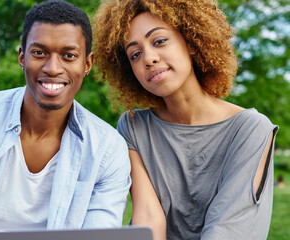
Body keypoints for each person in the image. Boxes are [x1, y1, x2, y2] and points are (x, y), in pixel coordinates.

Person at [0, 0, 131, 233]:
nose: (53, 68)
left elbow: (100, 236)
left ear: (87, 64)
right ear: (22, 58)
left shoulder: (107, 149)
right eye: (39, 52)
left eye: (68, 55)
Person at [93, 0, 278, 239]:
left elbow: (226, 229)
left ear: (190, 42)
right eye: (135, 54)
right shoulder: (133, 127)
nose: (148, 58)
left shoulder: (250, 129)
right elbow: (148, 218)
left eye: (159, 41)